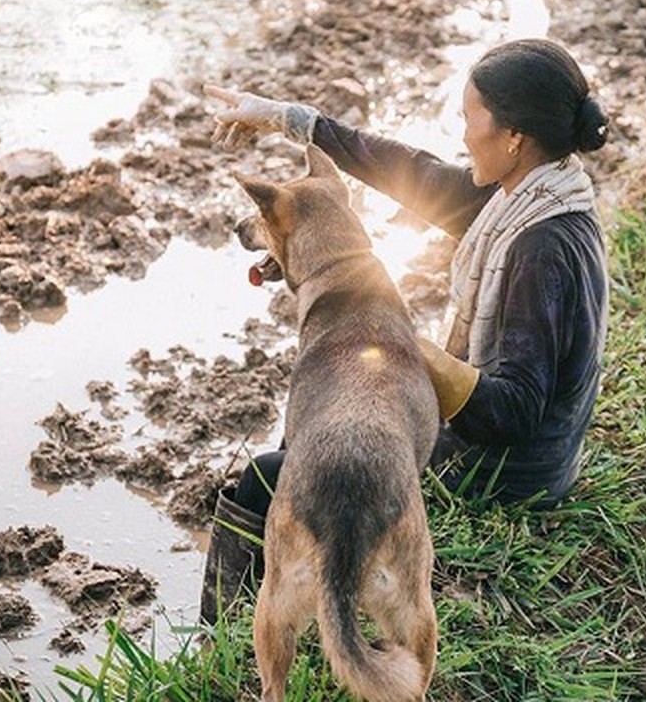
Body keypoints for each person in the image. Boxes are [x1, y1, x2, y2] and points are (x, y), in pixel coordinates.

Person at [197, 38, 610, 625]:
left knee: (273, 471)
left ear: (512, 135)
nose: (464, 134)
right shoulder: (527, 191)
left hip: (509, 472)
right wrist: (286, 119)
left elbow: (514, 411)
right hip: (517, 448)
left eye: (471, 118)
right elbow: (409, 172)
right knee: (326, 423)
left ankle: (228, 632)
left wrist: (396, 344)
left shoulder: (541, 248)